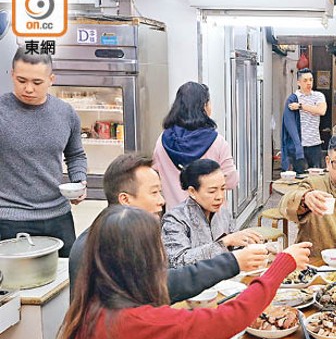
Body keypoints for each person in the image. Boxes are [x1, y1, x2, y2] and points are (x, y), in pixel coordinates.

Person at [56, 205, 311, 339]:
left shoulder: (90, 308)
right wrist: (282, 264)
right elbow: (233, 316)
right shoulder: (142, 324)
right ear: (144, 260)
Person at [69, 154, 266, 303]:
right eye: (154, 193)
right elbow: (164, 283)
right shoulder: (106, 243)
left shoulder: (126, 230)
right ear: (125, 200)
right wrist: (231, 261)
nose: (162, 201)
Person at [0, 48, 87, 258]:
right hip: (9, 217)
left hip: (58, 215)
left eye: (37, 83)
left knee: (67, 279)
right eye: (21, 80)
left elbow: (75, 154)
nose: (28, 88)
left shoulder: (66, 113)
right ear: (12, 74)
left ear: (51, 79)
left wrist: (79, 181)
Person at [162, 159, 263, 268]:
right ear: (192, 191)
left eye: (223, 189)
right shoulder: (174, 219)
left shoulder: (223, 212)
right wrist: (225, 241)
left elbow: (233, 248)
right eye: (212, 191)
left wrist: (250, 245)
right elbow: (178, 262)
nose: (219, 197)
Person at [153, 82, 238, 210]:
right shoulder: (217, 142)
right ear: (205, 106)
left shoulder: (162, 141)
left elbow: (156, 179)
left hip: (176, 218)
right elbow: (231, 181)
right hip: (211, 217)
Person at [287, 68, 327, 169]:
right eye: (305, 81)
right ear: (298, 82)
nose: (309, 83)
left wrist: (301, 106)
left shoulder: (318, 96)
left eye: (311, 80)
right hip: (298, 145)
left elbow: (321, 111)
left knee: (317, 176)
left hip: (314, 143)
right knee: (299, 176)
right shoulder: (293, 98)